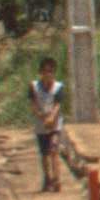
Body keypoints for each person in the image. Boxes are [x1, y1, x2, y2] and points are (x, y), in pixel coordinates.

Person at [30, 62, 69, 192]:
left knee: (54, 149)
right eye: (45, 71)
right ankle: (47, 178)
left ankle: (57, 179)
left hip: (55, 124)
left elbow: (57, 105)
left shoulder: (58, 87)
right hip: (40, 124)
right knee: (44, 153)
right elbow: (33, 105)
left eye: (51, 72)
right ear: (40, 73)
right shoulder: (34, 87)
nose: (48, 74)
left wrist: (51, 117)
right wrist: (42, 117)